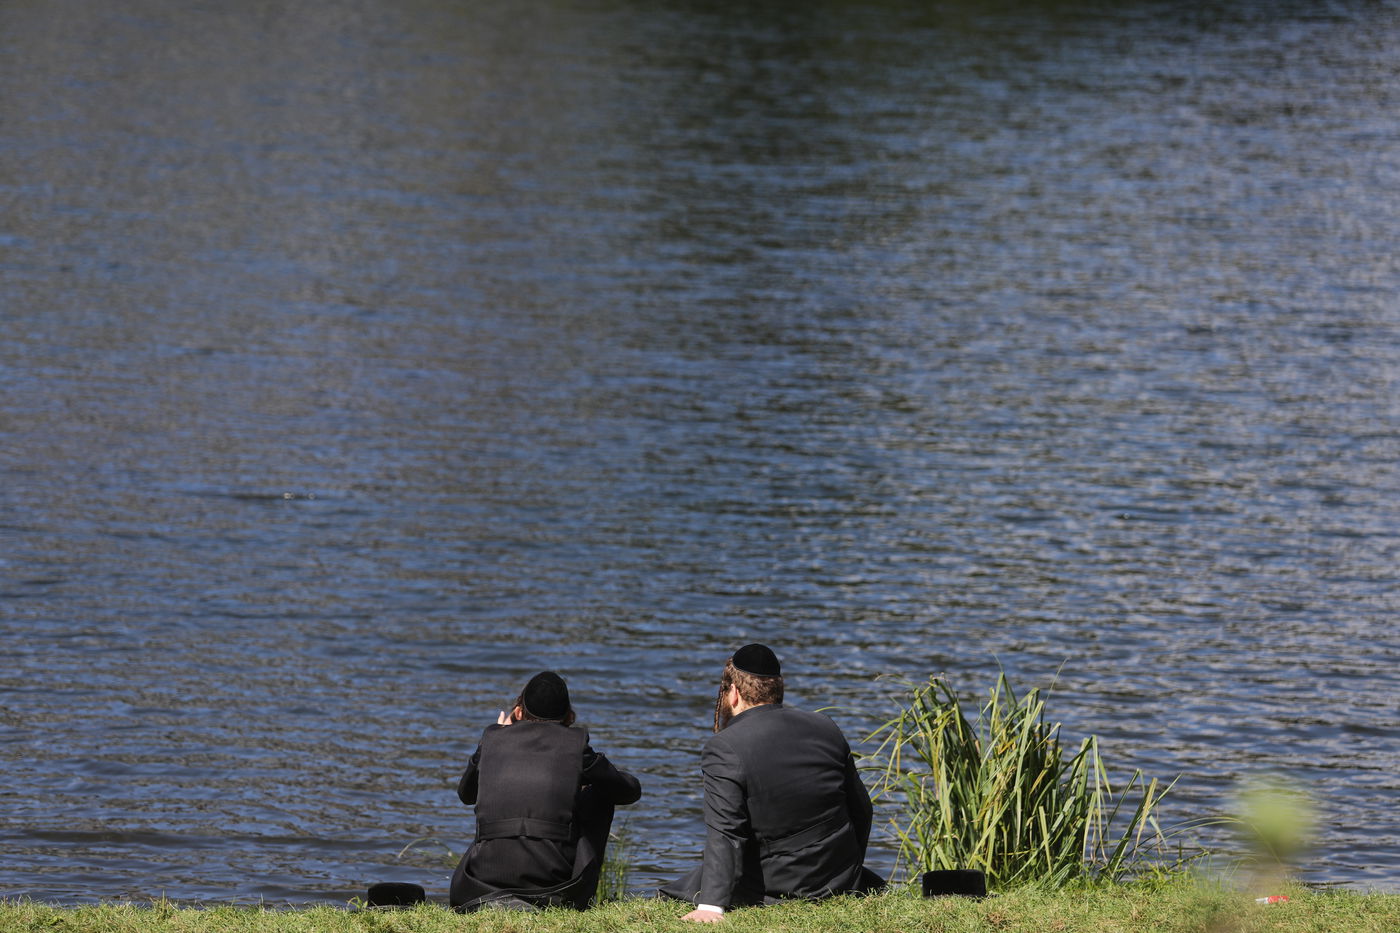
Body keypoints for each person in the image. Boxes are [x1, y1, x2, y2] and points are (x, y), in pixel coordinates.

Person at [661, 644, 884, 921]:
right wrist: (850, 870)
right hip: (839, 876)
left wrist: (711, 907)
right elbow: (862, 808)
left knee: (676, 891)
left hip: (779, 884)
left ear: (734, 693)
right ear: (778, 688)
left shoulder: (724, 747)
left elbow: (727, 832)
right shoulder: (825, 726)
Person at [449, 671, 642, 911]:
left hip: (480, 883)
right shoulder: (575, 745)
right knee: (600, 794)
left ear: (519, 712)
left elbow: (466, 795)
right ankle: (578, 891)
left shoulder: (491, 738)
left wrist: (493, 742)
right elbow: (628, 792)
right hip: (553, 887)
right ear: (569, 716)